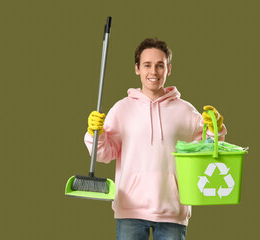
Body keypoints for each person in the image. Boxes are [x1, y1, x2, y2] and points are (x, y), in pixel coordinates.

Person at [84, 38, 227, 240]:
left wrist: (215, 129)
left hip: (173, 211)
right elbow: (103, 154)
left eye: (160, 65)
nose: (154, 72)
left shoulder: (185, 111)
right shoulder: (121, 109)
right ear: (137, 69)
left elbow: (209, 150)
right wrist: (94, 133)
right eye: (147, 65)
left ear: (168, 69)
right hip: (130, 210)